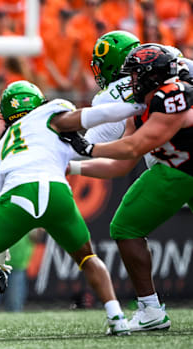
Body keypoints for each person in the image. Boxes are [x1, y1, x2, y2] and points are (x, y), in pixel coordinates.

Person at [0, 80, 139, 335]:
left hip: (18, 197)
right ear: (36, 100)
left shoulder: (4, 143)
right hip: (57, 193)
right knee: (87, 258)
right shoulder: (51, 113)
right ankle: (116, 316)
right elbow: (96, 115)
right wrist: (136, 107)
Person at [62, 43, 193, 332]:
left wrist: (89, 147)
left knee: (126, 227)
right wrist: (72, 166)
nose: (130, 82)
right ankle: (150, 310)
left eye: (134, 75)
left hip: (180, 171)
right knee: (125, 227)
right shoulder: (142, 107)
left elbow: (137, 145)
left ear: (151, 75)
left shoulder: (172, 94)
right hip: (179, 169)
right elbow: (119, 165)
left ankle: (150, 309)